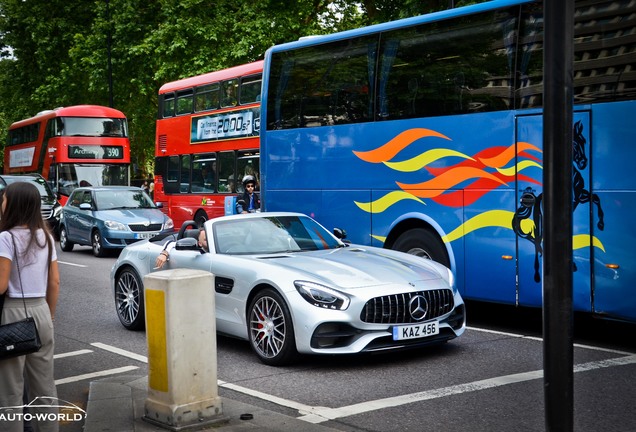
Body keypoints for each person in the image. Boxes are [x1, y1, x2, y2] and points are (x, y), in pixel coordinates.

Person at [0, 182, 60, 432]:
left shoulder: (5, 238)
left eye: (4, 199)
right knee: (44, 386)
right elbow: (55, 282)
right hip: (42, 312)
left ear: (14, 204)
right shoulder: (45, 236)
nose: (1, 204)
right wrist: (49, 316)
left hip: (14, 312)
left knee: (10, 390)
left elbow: (1, 285)